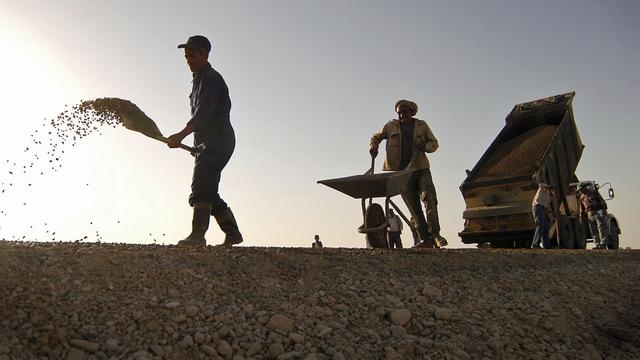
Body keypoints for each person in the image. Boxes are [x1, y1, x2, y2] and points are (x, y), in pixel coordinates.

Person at [167, 35, 243, 247]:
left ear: (205, 54)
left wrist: (180, 135)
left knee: (200, 187)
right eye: (186, 56)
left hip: (218, 140)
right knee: (209, 190)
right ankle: (233, 233)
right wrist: (197, 145)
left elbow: (204, 114)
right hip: (208, 143)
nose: (188, 59)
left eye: (192, 55)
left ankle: (197, 236)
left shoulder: (211, 78)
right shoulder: (198, 80)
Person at [369, 100, 446, 248]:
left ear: (411, 112)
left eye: (404, 112)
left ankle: (436, 234)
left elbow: (434, 143)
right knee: (413, 207)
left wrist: (425, 146)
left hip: (420, 168)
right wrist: (374, 146)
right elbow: (376, 136)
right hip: (402, 174)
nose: (401, 115)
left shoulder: (421, 126)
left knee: (430, 199)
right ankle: (425, 239)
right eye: (399, 113)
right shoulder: (391, 126)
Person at [577, 182, 609, 249]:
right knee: (593, 229)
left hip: (598, 211)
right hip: (590, 213)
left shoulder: (593, 192)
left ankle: (603, 244)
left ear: (585, 187)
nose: (581, 190)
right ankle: (597, 244)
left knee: (601, 227)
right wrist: (581, 217)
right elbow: (582, 209)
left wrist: (603, 210)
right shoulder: (581, 197)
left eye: (581, 189)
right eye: (580, 190)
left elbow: (601, 200)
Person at [531, 183, 553, 248]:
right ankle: (534, 244)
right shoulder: (543, 189)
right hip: (537, 207)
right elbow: (540, 184)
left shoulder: (548, 198)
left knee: (546, 227)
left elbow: (547, 207)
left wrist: (550, 213)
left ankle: (546, 246)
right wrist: (549, 186)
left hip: (542, 209)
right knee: (540, 225)